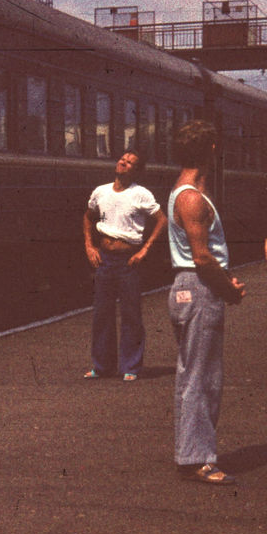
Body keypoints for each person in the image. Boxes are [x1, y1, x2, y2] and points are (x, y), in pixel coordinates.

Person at [166, 119, 245, 485]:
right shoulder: (191, 198)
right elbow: (201, 257)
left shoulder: (186, 192)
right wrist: (228, 289)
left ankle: (192, 452)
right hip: (198, 288)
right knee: (202, 377)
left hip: (192, 286)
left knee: (194, 374)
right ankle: (198, 459)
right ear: (211, 151)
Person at [82, 150, 165, 381]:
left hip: (128, 260)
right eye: (123, 160)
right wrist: (89, 245)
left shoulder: (141, 194)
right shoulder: (101, 191)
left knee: (131, 314)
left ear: (136, 171)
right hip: (104, 259)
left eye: (130, 163)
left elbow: (161, 220)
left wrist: (145, 249)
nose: (123, 163)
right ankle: (102, 366)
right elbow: (88, 217)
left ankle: (131, 366)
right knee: (102, 314)